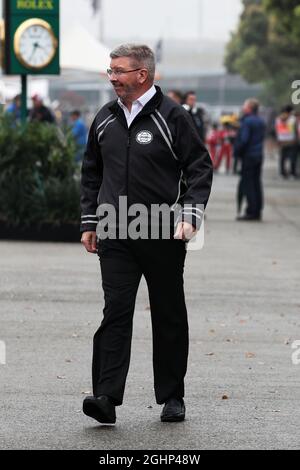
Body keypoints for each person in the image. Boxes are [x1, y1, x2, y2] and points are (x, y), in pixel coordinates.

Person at [80, 44, 213, 425]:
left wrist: (189, 215)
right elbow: (92, 171)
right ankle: (105, 396)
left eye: (119, 71)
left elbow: (199, 168)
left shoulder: (173, 117)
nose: (112, 77)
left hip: (162, 232)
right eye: (110, 70)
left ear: (142, 75)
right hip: (115, 233)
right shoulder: (104, 118)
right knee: (115, 313)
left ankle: (172, 396)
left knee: (169, 313)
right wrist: (90, 221)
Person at [235, 98, 265, 221]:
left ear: (249, 108)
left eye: (244, 106)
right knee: (257, 183)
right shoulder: (260, 121)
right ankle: (257, 210)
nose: (243, 108)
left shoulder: (247, 121)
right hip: (258, 154)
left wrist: (237, 152)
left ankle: (251, 211)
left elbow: (244, 140)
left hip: (249, 155)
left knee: (249, 184)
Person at [275, 105, 298, 178]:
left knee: (282, 158)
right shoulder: (293, 119)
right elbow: (296, 130)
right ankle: (292, 173)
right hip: (291, 141)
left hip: (282, 141)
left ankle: (282, 173)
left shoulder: (278, 119)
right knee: (293, 158)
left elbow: (276, 130)